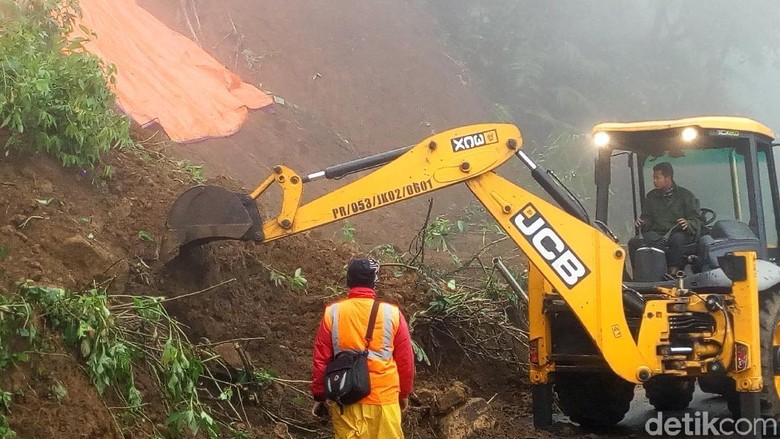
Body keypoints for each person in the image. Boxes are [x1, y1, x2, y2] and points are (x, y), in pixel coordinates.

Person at [310, 258, 415, 438]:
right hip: (384, 399)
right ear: (374, 282)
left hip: (346, 397)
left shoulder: (333, 313)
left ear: (349, 280)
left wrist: (320, 395)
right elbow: (406, 362)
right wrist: (404, 394)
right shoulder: (392, 314)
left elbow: (321, 359)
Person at [628, 162, 701, 276]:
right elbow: (647, 217)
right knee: (633, 242)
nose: (654, 181)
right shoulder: (651, 197)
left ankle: (673, 272)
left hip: (677, 232)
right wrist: (642, 222)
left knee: (678, 240)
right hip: (656, 234)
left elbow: (696, 218)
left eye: (657, 178)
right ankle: (638, 274)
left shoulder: (685, 196)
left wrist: (688, 223)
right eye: (654, 178)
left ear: (668, 178)